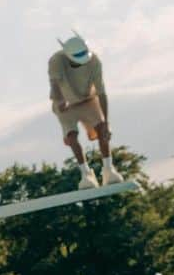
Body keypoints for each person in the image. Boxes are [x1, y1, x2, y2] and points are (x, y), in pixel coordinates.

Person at [48, 34, 124, 190]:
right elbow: (54, 85)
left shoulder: (94, 61)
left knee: (102, 130)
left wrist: (106, 122)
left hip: (89, 100)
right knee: (72, 137)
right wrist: (60, 99)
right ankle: (86, 175)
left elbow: (102, 93)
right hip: (66, 104)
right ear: (68, 56)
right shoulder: (56, 61)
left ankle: (109, 170)